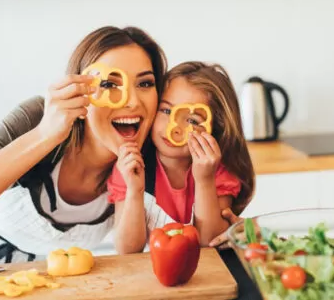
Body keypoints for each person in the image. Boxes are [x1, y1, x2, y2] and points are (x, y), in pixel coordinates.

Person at [0, 26, 167, 272]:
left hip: (36, 285)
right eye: (110, 84)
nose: (132, 101)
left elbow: (133, 250)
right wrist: (45, 135)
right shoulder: (38, 119)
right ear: (80, 91)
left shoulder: (141, 163)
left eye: (145, 84)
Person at [107, 61, 255, 252]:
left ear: (216, 129)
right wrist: (135, 191)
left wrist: (205, 180)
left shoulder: (217, 169)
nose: (173, 129)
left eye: (192, 120)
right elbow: (127, 249)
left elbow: (210, 242)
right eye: (167, 111)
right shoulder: (130, 164)